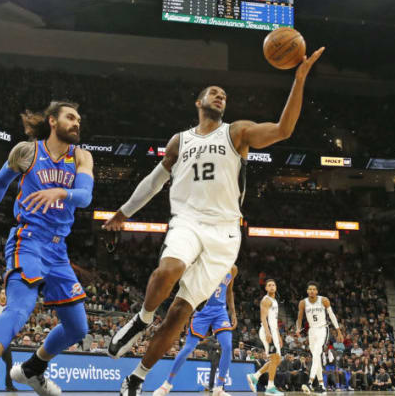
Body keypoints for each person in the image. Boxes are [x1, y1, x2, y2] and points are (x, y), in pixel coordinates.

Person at [103, 48, 326, 396]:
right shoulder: (180, 140)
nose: (221, 96)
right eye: (214, 92)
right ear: (199, 101)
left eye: (225, 95)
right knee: (169, 269)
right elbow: (153, 180)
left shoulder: (236, 133)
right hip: (188, 220)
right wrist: (123, 212)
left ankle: (138, 377)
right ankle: (142, 319)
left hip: (225, 233)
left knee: (179, 312)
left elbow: (283, 130)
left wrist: (298, 81)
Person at [0, 101, 94, 396]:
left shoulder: (81, 157)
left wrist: (61, 191)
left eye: (79, 118)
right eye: (70, 117)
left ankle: (32, 369)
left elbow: (85, 197)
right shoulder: (27, 151)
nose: (77, 123)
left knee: (78, 327)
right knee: (21, 305)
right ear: (53, 121)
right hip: (28, 240)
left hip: (58, 250)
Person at [153, 267, 238, 396]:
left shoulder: (233, 268)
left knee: (227, 346)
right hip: (203, 311)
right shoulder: (207, 263)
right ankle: (167, 384)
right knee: (188, 348)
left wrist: (233, 313)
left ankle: (219, 388)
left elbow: (229, 292)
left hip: (220, 311)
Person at [295, 281, 344, 393]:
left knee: (316, 354)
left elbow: (331, 315)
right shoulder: (303, 302)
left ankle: (310, 382)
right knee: (315, 357)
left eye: (314, 289)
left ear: (317, 291)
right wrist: (298, 329)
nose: (312, 291)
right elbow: (299, 317)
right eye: (310, 289)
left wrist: (338, 331)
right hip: (312, 330)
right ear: (307, 291)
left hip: (323, 329)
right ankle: (321, 385)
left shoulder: (324, 300)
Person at [246, 279, 284, 395]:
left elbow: (274, 320)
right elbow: (263, 318)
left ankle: (255, 376)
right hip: (267, 331)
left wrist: (278, 335)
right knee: (274, 358)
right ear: (266, 288)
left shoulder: (274, 300)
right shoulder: (266, 300)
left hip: (273, 331)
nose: (272, 287)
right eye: (269, 285)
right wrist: (268, 333)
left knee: (277, 360)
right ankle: (270, 387)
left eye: (273, 285)